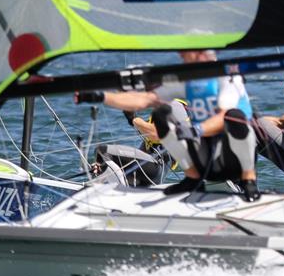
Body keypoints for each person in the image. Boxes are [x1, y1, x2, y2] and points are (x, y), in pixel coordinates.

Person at [75, 50, 260, 201]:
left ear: (201, 53)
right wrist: (101, 97)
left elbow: (224, 117)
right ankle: (193, 178)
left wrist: (192, 131)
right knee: (160, 115)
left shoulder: (227, 78)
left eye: (185, 52)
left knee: (235, 117)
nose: (180, 55)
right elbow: (144, 100)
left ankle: (249, 180)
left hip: (232, 160)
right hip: (206, 161)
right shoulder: (188, 84)